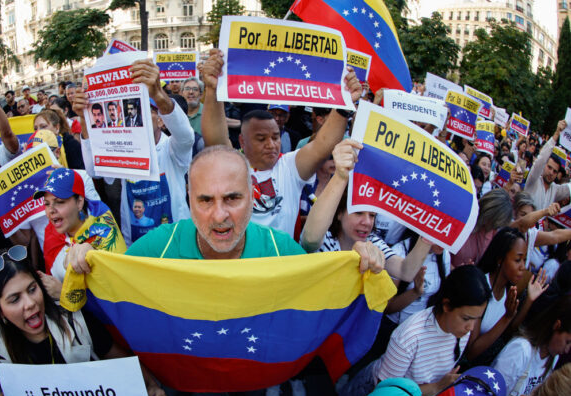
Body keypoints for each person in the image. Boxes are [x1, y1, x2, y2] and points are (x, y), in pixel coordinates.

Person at [105, 145, 387, 396]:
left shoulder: (278, 250)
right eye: (205, 200)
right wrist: (88, 261)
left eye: (232, 198)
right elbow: (114, 285)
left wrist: (357, 266)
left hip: (240, 352)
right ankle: (185, 390)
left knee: (237, 376)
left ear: (252, 197)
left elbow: (318, 293)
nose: (219, 215)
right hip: (188, 352)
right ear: (189, 200)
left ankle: (238, 391)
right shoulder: (160, 246)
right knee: (187, 374)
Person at [0, 249, 166, 396]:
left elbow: (119, 358)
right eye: (15, 299)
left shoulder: (76, 320)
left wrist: (150, 385)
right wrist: (10, 394)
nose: (30, 303)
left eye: (32, 289)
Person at [201, 49, 362, 237]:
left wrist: (344, 106)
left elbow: (323, 144)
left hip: (283, 255)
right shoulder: (232, 165)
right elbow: (214, 139)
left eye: (276, 137)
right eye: (261, 139)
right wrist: (212, 89)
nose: (271, 144)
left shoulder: (290, 166)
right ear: (242, 142)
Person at [338, 265, 490, 396]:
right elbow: (385, 391)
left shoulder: (462, 331)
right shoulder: (410, 336)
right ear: (446, 306)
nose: (471, 327)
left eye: (477, 319)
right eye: (466, 318)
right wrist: (436, 387)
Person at [76, 58, 195, 244]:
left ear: (161, 120)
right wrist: (85, 118)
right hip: (137, 246)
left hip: (176, 243)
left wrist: (158, 95)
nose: (139, 115)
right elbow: (94, 170)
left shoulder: (171, 149)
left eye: (147, 110)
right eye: (135, 110)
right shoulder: (124, 151)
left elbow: (186, 136)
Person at [300, 142, 432, 283]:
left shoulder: (373, 242)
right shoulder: (325, 238)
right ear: (339, 214)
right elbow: (310, 239)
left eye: (372, 215)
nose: (367, 222)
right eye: (358, 213)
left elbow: (404, 272)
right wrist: (341, 175)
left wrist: (428, 234)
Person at [467, 227, 548, 364]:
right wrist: (507, 317)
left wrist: (529, 300)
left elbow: (509, 330)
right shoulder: (480, 286)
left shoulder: (508, 291)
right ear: (500, 259)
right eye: (517, 260)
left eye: (524, 260)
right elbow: (471, 352)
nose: (523, 267)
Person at [34, 168, 125, 285]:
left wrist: (61, 292)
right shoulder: (51, 231)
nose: (51, 210)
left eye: (59, 202)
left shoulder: (104, 231)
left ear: (79, 202)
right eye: (47, 204)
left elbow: (116, 286)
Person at [493, 298, 571, 396]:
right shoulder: (521, 349)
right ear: (557, 325)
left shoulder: (554, 358)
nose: (567, 350)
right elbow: (492, 394)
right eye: (567, 342)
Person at [452, 189, 514, 267]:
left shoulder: (492, 232)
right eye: (494, 223)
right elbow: (441, 254)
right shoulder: (462, 219)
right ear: (489, 213)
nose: (495, 229)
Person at [525, 120, 570, 210]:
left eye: (555, 171)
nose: (551, 172)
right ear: (544, 166)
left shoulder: (555, 190)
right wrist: (557, 133)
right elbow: (541, 159)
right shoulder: (533, 180)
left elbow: (569, 189)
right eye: (549, 167)